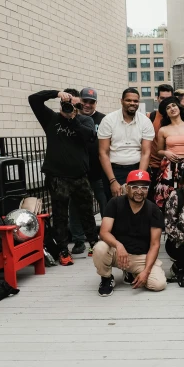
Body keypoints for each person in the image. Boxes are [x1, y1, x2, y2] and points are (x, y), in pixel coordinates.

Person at [29, 88, 98, 266]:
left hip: (79, 176)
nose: (68, 107)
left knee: (87, 211)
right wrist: (56, 93)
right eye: (66, 104)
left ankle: (94, 244)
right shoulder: (51, 118)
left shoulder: (85, 120)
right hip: (57, 176)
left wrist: (74, 117)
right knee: (60, 215)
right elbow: (33, 99)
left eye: (72, 104)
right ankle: (62, 249)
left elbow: (89, 137)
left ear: (78, 105)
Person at [92, 169, 166, 296]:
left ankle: (132, 272)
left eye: (143, 187)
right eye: (134, 187)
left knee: (158, 284)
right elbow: (104, 232)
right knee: (100, 248)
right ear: (127, 188)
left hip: (140, 257)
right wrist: (118, 246)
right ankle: (106, 278)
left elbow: (155, 244)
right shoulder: (115, 203)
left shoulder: (154, 210)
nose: (139, 191)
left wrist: (146, 272)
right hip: (118, 253)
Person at [69, 87, 107, 256]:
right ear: (79, 101)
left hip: (98, 171)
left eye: (91, 102)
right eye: (85, 101)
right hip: (77, 172)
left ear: (95, 103)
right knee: (77, 207)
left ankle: (107, 237)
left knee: (105, 205)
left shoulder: (103, 120)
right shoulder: (71, 118)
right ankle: (78, 240)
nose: (87, 105)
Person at [98, 88, 155, 199]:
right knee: (116, 207)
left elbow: (146, 152)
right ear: (122, 101)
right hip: (114, 171)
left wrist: (139, 179)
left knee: (139, 207)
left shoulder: (145, 122)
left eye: (135, 101)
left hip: (138, 168)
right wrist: (112, 180)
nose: (132, 103)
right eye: (128, 100)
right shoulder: (108, 120)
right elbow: (103, 153)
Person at [153, 97, 184, 211]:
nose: (172, 109)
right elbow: (158, 151)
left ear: (179, 107)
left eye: (173, 105)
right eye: (168, 108)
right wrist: (166, 153)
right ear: (166, 113)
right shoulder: (163, 130)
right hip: (168, 167)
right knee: (167, 198)